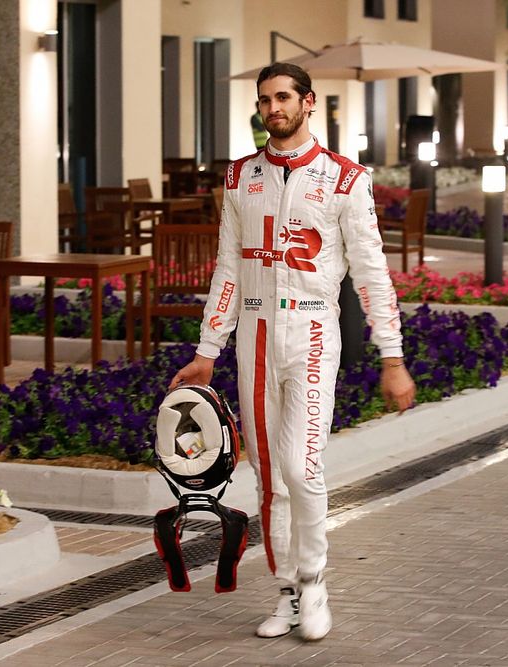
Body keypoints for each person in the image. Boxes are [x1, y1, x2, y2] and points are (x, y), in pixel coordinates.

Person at [170, 62, 415, 641]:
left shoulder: (346, 179)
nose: (272, 107)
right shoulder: (238, 180)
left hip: (309, 336)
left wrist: (393, 357)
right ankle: (285, 592)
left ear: (308, 102)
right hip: (252, 338)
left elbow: (373, 276)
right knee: (270, 479)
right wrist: (209, 348)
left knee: (303, 470)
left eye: (283, 97)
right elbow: (227, 267)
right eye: (264, 100)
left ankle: (314, 582)